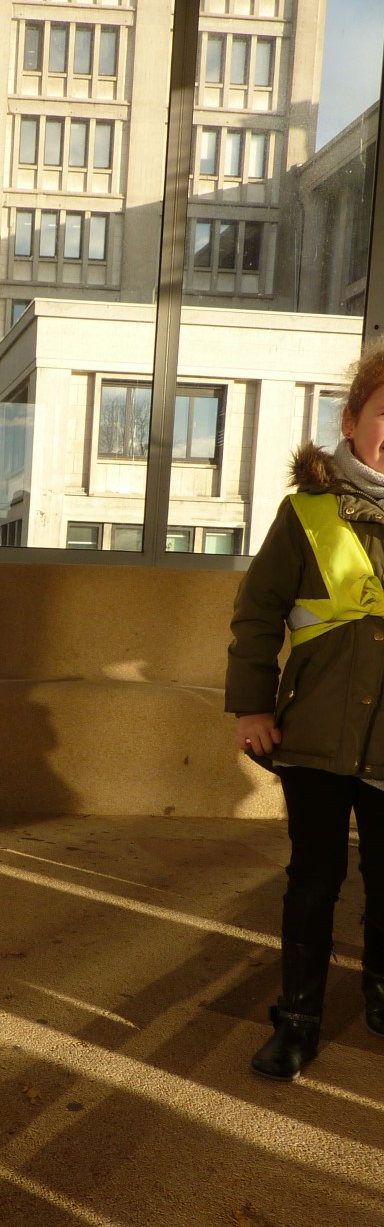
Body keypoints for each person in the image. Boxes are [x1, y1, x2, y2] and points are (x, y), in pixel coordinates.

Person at [226, 342, 384, 1081]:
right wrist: (253, 706)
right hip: (318, 732)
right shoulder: (307, 513)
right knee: (314, 877)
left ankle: (380, 992)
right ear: (351, 421)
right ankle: (298, 1019)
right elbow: (257, 614)